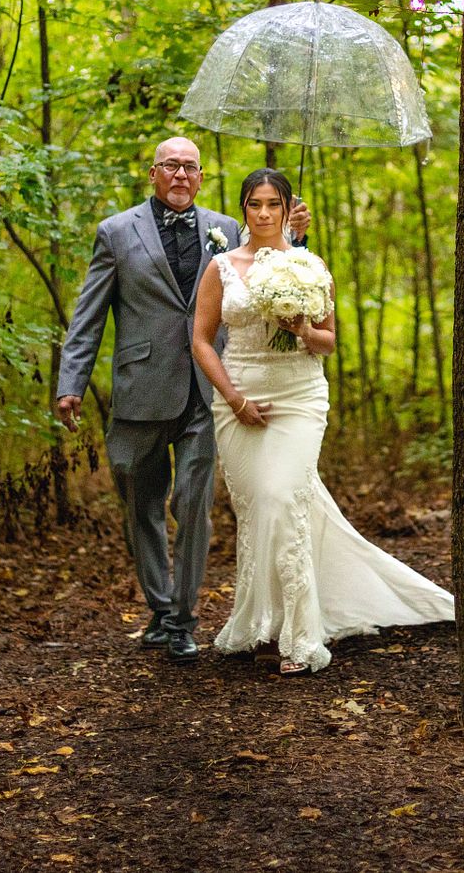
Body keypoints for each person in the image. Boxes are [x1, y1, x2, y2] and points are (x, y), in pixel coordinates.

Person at [191, 168, 458, 676]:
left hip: (299, 394)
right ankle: (263, 625)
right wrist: (233, 397)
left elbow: (330, 341)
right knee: (257, 514)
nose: (264, 214)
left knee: (281, 498)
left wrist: (302, 329)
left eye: (273, 204)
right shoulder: (221, 267)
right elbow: (202, 340)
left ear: (288, 208)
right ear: (243, 209)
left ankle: (298, 635)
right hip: (239, 397)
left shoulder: (309, 266)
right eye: (254, 205)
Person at [55, 138, 310, 663]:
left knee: (193, 504)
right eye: (171, 166)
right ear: (153, 173)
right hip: (140, 387)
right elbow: (89, 315)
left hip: (207, 386)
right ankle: (159, 606)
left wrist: (298, 237)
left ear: (200, 177)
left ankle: (183, 618)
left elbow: (271, 265)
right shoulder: (116, 232)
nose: (180, 175)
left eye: (189, 168)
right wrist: (70, 383)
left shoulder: (225, 228)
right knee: (139, 502)